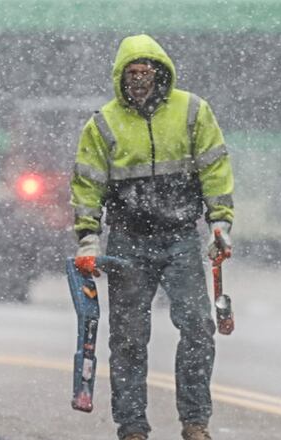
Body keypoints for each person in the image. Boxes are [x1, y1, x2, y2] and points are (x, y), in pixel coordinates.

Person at [70, 34, 234, 440]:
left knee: (197, 326)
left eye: (146, 73)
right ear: (121, 77)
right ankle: (132, 428)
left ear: (160, 74)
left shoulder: (192, 111)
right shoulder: (103, 124)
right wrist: (88, 238)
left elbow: (214, 168)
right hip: (128, 243)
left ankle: (195, 422)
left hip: (181, 237)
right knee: (127, 338)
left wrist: (220, 223)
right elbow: (87, 185)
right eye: (132, 73)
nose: (139, 81)